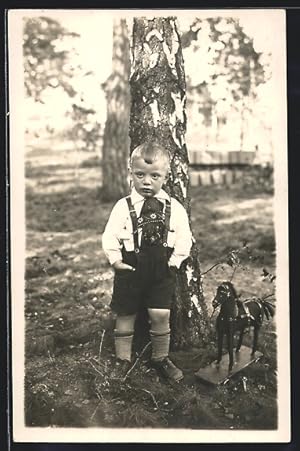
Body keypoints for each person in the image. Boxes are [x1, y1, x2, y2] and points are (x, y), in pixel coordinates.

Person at [102, 141, 192, 382]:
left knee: (160, 313)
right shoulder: (123, 207)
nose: (147, 182)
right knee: (126, 313)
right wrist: (115, 260)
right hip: (130, 267)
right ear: (130, 173)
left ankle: (160, 357)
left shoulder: (174, 208)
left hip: (162, 269)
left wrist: (174, 262)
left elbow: (185, 237)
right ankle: (123, 359)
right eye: (140, 175)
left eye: (155, 176)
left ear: (166, 176)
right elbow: (109, 235)